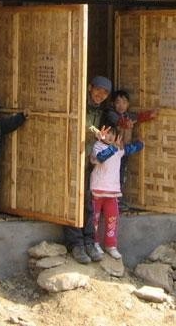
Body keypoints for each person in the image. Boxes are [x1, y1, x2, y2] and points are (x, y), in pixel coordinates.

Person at [64, 75, 114, 264]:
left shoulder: (102, 111)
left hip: (88, 161)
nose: (100, 94)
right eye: (98, 90)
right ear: (89, 87)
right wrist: (95, 132)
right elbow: (78, 122)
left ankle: (89, 241)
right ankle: (76, 244)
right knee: (72, 201)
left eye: (105, 92)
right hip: (71, 158)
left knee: (88, 202)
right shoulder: (78, 103)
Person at [89, 124, 144, 259]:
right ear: (101, 133)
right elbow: (101, 158)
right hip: (97, 190)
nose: (110, 136)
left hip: (112, 191)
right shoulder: (97, 147)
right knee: (94, 219)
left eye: (113, 134)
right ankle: (94, 243)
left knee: (112, 218)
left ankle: (111, 245)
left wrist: (141, 143)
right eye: (107, 133)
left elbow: (130, 149)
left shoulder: (118, 149)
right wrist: (113, 148)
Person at [110, 89, 157, 211]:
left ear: (128, 104)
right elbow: (119, 122)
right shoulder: (111, 114)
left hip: (125, 152)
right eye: (118, 102)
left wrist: (150, 115)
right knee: (113, 175)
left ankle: (117, 200)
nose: (121, 105)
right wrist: (125, 124)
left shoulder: (129, 116)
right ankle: (113, 201)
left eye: (124, 102)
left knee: (121, 174)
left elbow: (139, 117)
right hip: (114, 152)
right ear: (113, 104)